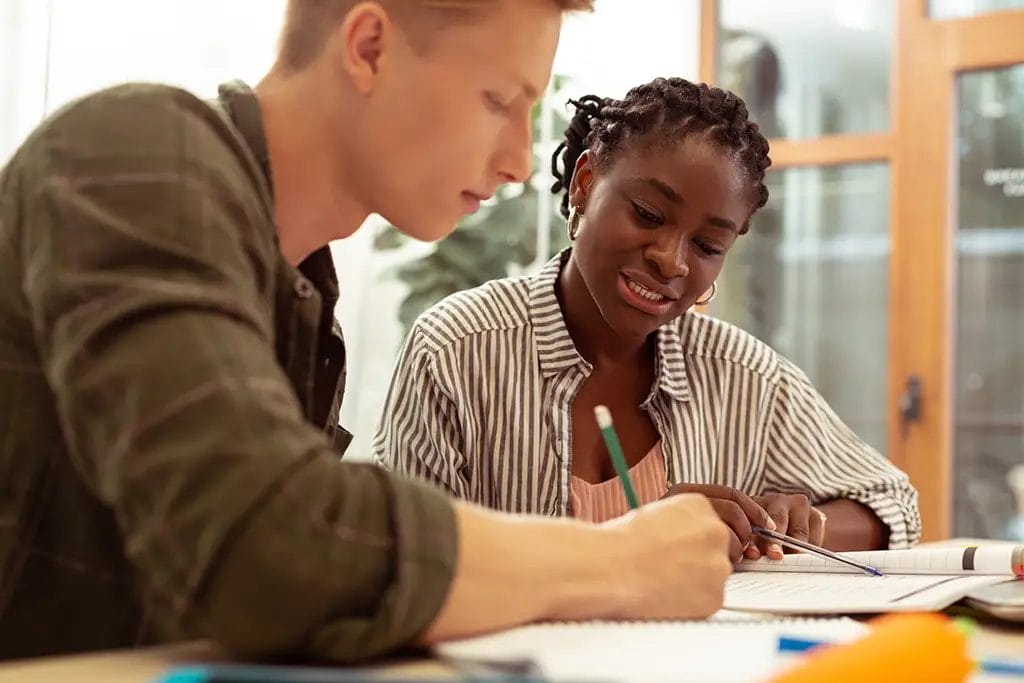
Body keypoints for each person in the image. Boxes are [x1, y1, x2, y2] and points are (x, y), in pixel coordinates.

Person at [0, 1, 735, 663]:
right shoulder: (132, 154)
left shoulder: (303, 294)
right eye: (498, 100)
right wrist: (618, 561)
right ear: (370, 47)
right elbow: (277, 549)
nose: (517, 161)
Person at [374, 77, 922, 562]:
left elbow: (893, 503)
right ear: (586, 184)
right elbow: (402, 562)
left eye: (708, 244)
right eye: (648, 215)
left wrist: (792, 527)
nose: (672, 259)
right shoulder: (454, 352)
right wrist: (631, 541)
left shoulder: (744, 377)